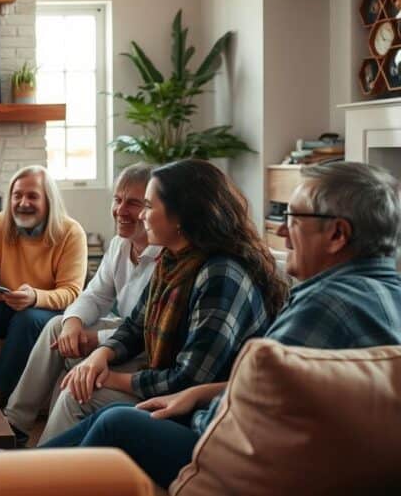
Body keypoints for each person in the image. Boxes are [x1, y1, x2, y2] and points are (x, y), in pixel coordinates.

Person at [37, 161, 401, 489]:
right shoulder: (382, 292)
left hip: (240, 455)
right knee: (108, 414)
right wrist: (193, 394)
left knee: (116, 422)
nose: (283, 232)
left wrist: (190, 401)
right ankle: (22, 474)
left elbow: (238, 411)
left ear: (337, 234)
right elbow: (273, 383)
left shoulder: (321, 307)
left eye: (292, 219)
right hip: (239, 424)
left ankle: (20, 478)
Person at [31, 159, 283, 445]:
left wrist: (109, 378)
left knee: (78, 395)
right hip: (173, 391)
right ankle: (37, 463)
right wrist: (101, 356)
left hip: (206, 412)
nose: (141, 215)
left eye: (148, 206)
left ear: (180, 217)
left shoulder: (220, 275)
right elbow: (136, 325)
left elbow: (188, 379)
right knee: (78, 386)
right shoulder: (173, 259)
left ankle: (37, 467)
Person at [4, 163, 160, 446]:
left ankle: (43, 458)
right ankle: (15, 425)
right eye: (117, 200)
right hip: (125, 334)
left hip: (144, 350)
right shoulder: (119, 245)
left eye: (133, 203)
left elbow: (150, 330)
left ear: (151, 207)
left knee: (72, 376)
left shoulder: (167, 256)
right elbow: (95, 295)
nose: (120, 210)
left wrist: (96, 340)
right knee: (57, 326)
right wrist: (72, 323)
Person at [0, 165, 88, 405]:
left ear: (49, 200)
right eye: (17, 196)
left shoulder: (71, 232)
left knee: (27, 318)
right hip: (6, 305)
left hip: (46, 312)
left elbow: (72, 292)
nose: (23, 203)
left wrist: (35, 297)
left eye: (32, 196)